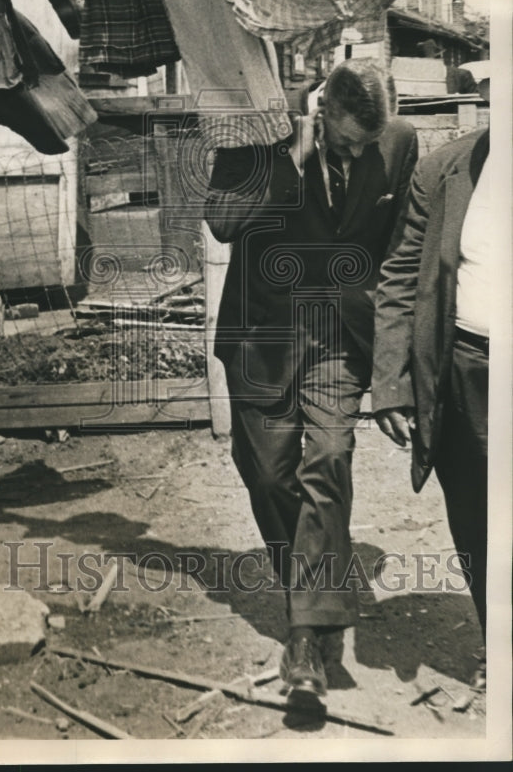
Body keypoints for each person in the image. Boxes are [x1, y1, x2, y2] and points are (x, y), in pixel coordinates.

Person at [204, 58, 418, 704]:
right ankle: (318, 585)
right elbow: (221, 218)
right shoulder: (260, 123)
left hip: (338, 336)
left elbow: (401, 254)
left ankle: (306, 640)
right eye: (347, 141)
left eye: (368, 144)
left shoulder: (399, 143)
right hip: (263, 332)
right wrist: (286, 162)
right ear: (322, 112)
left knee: (328, 458)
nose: (358, 154)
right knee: (269, 475)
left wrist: (392, 373)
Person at [372, 120, 490, 691]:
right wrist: (391, 383)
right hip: (465, 370)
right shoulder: (445, 170)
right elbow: (397, 273)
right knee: (477, 515)